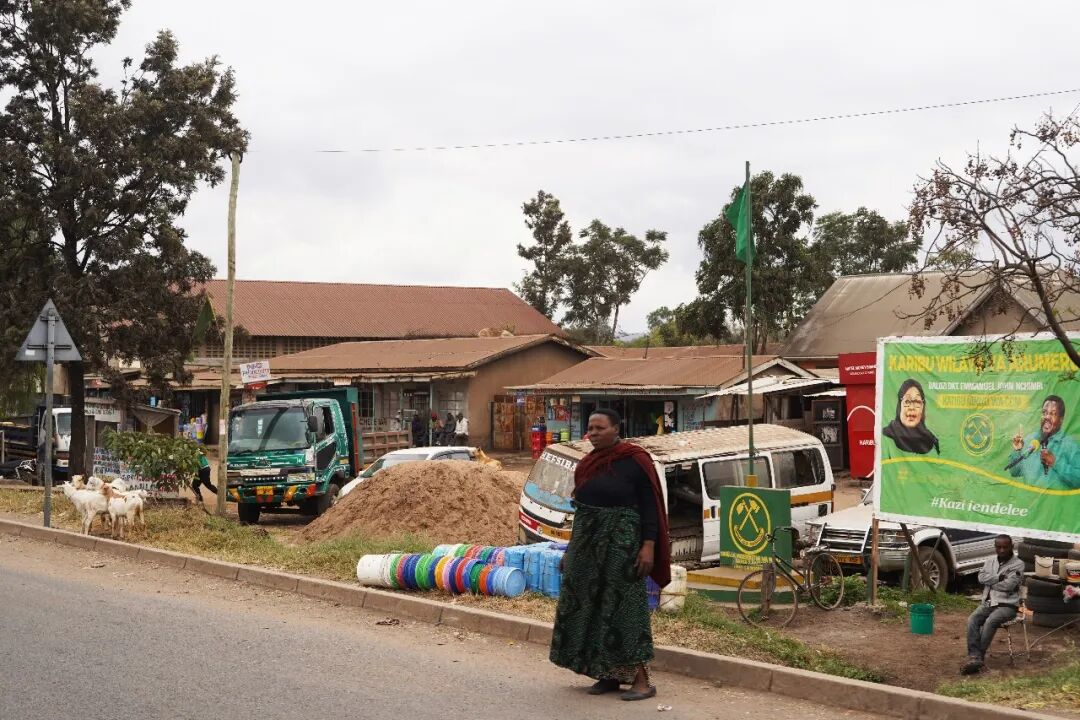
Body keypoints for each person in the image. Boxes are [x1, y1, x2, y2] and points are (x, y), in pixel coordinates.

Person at [549, 409, 672, 701]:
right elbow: (580, 512)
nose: (592, 432)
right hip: (587, 543)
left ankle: (642, 681)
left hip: (622, 543)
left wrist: (648, 545)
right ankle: (607, 675)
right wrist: (571, 549)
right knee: (588, 605)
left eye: (599, 427)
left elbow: (649, 507)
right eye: (590, 427)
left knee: (624, 609)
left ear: (616, 429)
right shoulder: (587, 464)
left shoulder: (635, 460)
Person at [962, 535, 1024, 674]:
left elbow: (1009, 585)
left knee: (991, 621)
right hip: (989, 603)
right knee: (972, 619)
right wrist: (998, 577)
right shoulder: (990, 561)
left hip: (1008, 605)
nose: (1001, 550)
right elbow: (980, 578)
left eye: (1005, 547)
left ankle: (978, 659)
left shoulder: (1018, 564)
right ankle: (974, 656)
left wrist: (990, 581)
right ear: (995, 547)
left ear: (1011, 546)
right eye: (998, 547)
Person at [1006, 395, 1080, 489]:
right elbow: (1014, 472)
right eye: (1044, 412)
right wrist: (1017, 451)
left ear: (1061, 420)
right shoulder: (1029, 440)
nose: (1047, 417)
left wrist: (1055, 462)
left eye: (1052, 413)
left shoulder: (1070, 445)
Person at [881, 378, 939, 456]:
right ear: (899, 406)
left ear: (923, 407)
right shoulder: (885, 437)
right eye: (907, 401)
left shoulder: (931, 442)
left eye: (917, 402)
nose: (912, 407)